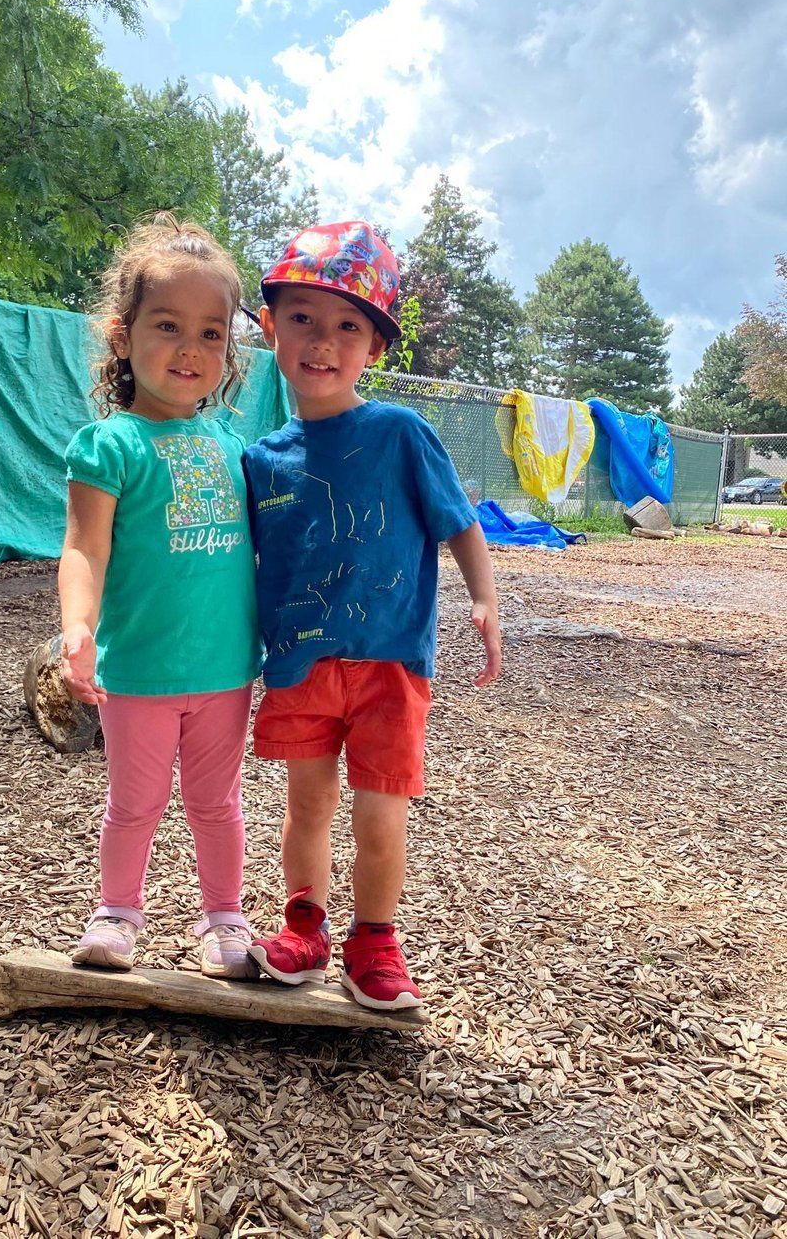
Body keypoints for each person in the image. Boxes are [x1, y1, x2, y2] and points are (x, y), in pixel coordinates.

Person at [242, 220, 502, 1011]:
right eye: (304, 320)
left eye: (348, 326)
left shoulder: (399, 432)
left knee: (381, 814)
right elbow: (241, 565)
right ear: (270, 327)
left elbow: (458, 519)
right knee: (307, 806)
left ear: (376, 346)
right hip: (301, 663)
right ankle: (305, 925)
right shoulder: (261, 460)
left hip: (391, 661)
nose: (324, 342)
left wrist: (484, 596)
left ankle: (375, 943)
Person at [58, 216, 262, 980]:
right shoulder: (108, 445)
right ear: (122, 334)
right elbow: (84, 546)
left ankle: (225, 921)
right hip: (138, 668)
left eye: (212, 333)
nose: (191, 348)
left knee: (219, 804)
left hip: (225, 669)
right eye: (168, 325)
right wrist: (76, 627)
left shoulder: (236, 448)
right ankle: (116, 914)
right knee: (135, 804)